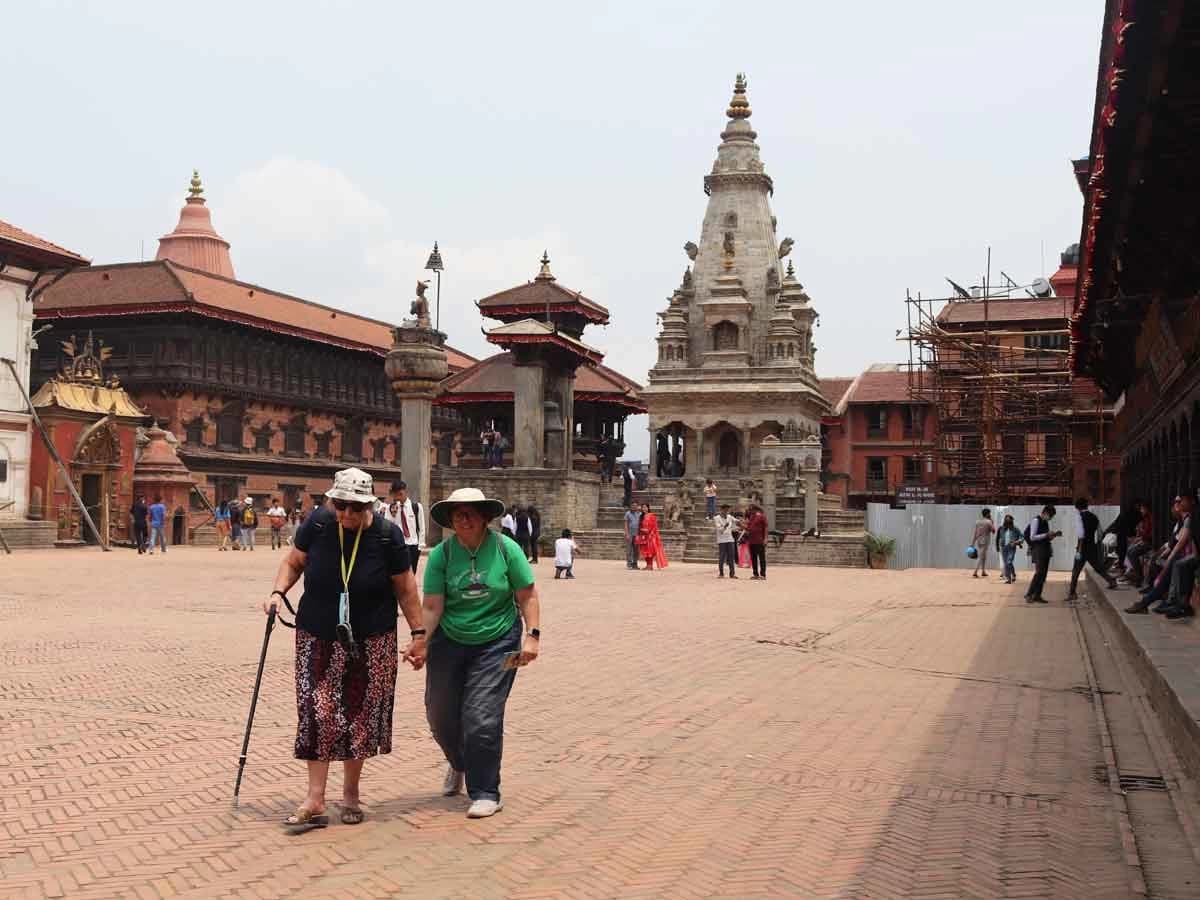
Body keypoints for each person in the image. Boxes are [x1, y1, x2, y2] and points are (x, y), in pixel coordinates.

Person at [263, 467, 422, 833]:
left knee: (361, 716)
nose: (347, 515)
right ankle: (315, 798)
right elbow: (293, 562)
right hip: (317, 633)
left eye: (354, 508)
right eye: (341, 506)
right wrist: (277, 593)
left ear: (368, 504)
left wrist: (419, 633)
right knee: (317, 712)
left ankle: (350, 793)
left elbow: (406, 588)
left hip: (372, 638)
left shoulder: (387, 536)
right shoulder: (318, 524)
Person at [411, 487, 541, 819]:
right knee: (439, 715)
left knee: (481, 716)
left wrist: (532, 637)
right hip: (450, 639)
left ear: (484, 517)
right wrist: (421, 641)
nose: (463, 519)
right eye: (457, 514)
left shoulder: (505, 548)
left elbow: (527, 596)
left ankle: (485, 791)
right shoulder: (442, 554)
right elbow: (432, 605)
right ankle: (458, 762)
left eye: (470, 513)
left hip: (498, 638)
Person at [1127, 494, 1195, 617]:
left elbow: (1180, 543)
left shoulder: (1189, 520)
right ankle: (1150, 601)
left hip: (1186, 555)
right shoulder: (1182, 520)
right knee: (1164, 568)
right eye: (1176, 502)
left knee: (1173, 567)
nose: (1177, 504)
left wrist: (1170, 557)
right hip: (1181, 554)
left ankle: (1149, 602)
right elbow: (1173, 541)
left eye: (1180, 501)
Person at [1068, 497, 1119, 600]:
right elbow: (1100, 534)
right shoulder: (1094, 517)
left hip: (1082, 548)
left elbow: (1081, 535)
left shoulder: (1079, 517)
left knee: (1076, 571)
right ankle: (1111, 581)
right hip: (1092, 547)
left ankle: (1072, 593)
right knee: (1098, 567)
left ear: (1077, 508)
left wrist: (1079, 550)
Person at [1024, 505, 1061, 604]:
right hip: (1038, 549)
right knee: (1039, 573)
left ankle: (1037, 595)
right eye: (1050, 516)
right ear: (1045, 513)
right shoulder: (1036, 520)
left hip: (1045, 549)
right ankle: (1029, 594)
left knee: (1043, 574)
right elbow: (1032, 537)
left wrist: (1053, 535)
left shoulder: (1045, 522)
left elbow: (1046, 537)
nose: (1051, 518)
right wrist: (1046, 535)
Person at [637, 503, 668, 570]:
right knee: (644, 551)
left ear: (648, 508)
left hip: (650, 536)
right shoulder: (641, 516)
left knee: (650, 551)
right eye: (643, 507)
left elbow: (654, 526)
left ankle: (650, 565)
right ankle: (648, 565)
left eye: (645, 507)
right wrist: (641, 531)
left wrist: (648, 531)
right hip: (643, 535)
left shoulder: (652, 515)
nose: (644, 509)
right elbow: (640, 526)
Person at [995, 514, 1023, 584]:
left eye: (1009, 521)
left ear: (1011, 521)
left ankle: (1013, 575)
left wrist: (1017, 542)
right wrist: (997, 547)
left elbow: (1022, 537)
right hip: (1003, 547)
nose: (1008, 523)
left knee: (1009, 562)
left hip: (1011, 547)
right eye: (1006, 521)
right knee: (1006, 564)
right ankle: (1009, 578)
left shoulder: (1015, 529)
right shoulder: (1001, 528)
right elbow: (997, 538)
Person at [714, 503, 740, 578]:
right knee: (722, 557)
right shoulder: (717, 518)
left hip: (730, 539)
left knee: (731, 557)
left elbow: (736, 521)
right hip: (722, 540)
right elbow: (719, 530)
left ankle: (732, 574)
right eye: (725, 510)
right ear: (721, 510)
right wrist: (725, 526)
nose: (726, 511)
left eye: (727, 510)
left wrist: (741, 522)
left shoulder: (729, 516)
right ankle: (721, 573)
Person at [744, 504, 768, 579]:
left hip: (760, 540)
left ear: (755, 509)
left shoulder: (761, 516)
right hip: (751, 541)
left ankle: (763, 574)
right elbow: (748, 528)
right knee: (753, 558)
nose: (750, 511)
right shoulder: (751, 517)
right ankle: (755, 574)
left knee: (762, 558)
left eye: (751, 510)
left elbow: (766, 527)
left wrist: (766, 538)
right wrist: (741, 526)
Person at [970, 508, 995, 578]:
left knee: (984, 556)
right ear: (987, 514)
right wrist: (992, 522)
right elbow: (993, 531)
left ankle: (983, 571)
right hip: (985, 541)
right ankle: (975, 571)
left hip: (979, 541)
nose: (990, 514)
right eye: (989, 513)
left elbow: (975, 533)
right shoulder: (989, 522)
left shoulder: (978, 522)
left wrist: (973, 542)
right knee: (981, 556)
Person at [624, 502, 642, 570]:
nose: (634, 507)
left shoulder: (640, 514)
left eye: (635, 506)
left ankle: (635, 563)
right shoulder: (628, 513)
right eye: (633, 506)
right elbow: (626, 524)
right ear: (631, 506)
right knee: (629, 550)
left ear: (637, 507)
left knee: (636, 550)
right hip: (630, 534)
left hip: (637, 534)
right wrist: (626, 533)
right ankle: (629, 564)